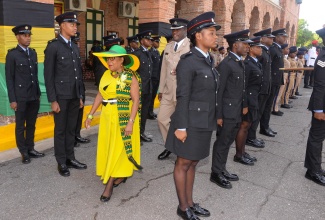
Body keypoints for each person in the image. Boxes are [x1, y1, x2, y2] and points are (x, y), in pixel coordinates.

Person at [165, 11, 219, 220]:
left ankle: (190, 202)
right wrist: (180, 126)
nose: (215, 37)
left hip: (204, 121)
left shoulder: (208, 59)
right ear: (198, 35)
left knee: (193, 162)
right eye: (211, 33)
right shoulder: (188, 61)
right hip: (189, 122)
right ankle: (182, 207)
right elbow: (183, 96)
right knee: (183, 163)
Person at [85, 45, 141, 201]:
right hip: (108, 116)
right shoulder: (105, 75)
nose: (109, 62)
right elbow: (100, 95)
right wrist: (90, 115)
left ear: (121, 60)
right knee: (110, 147)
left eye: (113, 59)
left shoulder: (130, 76)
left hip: (124, 116)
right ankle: (120, 174)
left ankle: (109, 184)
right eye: (108, 59)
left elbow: (136, 100)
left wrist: (130, 122)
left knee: (119, 148)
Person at [44, 12, 87, 177]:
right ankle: (61, 161)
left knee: (71, 129)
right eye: (72, 24)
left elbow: (79, 75)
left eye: (76, 24)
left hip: (74, 96)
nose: (75, 27)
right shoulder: (53, 47)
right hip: (61, 97)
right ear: (62, 25)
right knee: (61, 130)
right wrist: (53, 100)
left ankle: (71, 158)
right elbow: (49, 76)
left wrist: (80, 96)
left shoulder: (74, 46)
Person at [210, 29, 251, 189]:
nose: (247, 47)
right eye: (245, 44)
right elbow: (219, 92)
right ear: (235, 45)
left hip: (236, 111)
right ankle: (216, 173)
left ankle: (222, 169)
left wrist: (244, 106)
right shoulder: (227, 64)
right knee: (222, 142)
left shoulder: (238, 61)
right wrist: (218, 115)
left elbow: (240, 89)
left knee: (227, 142)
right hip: (226, 112)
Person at [5, 24, 44, 164]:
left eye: (29, 36)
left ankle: (31, 148)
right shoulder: (12, 55)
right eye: (24, 35)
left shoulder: (32, 53)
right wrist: (12, 99)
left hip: (34, 95)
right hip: (20, 97)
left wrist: (38, 94)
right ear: (17, 37)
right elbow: (9, 79)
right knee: (21, 125)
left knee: (32, 124)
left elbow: (34, 75)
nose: (28, 38)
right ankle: (23, 152)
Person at [157, 18, 190, 160]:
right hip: (168, 91)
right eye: (173, 30)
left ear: (185, 30)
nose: (174, 32)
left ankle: (182, 150)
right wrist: (160, 90)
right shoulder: (168, 47)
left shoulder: (191, 46)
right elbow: (163, 70)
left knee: (182, 123)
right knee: (161, 119)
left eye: (177, 30)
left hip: (183, 92)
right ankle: (169, 145)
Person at [234, 37, 263, 166]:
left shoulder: (255, 62)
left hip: (254, 98)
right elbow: (243, 85)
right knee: (244, 126)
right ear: (251, 49)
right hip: (248, 98)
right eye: (258, 47)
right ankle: (239, 154)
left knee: (247, 126)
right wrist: (244, 103)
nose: (260, 49)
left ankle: (243, 151)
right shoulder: (247, 63)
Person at [246, 28, 275, 148]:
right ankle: (250, 137)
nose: (272, 39)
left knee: (259, 112)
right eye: (270, 37)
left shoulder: (265, 52)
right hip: (259, 89)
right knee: (255, 114)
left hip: (265, 87)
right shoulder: (259, 54)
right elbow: (256, 72)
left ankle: (252, 136)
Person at [304, 27, 325, 186]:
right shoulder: (323, 57)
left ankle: (315, 167)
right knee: (316, 138)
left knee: (319, 137)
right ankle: (313, 171)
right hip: (321, 106)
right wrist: (318, 109)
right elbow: (319, 85)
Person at [260, 28, 287, 136]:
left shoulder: (277, 48)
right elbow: (267, 66)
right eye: (283, 36)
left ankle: (266, 125)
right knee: (266, 106)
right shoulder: (272, 49)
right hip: (270, 80)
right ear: (277, 37)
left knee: (269, 105)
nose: (285, 38)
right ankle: (264, 127)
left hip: (275, 81)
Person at [132, 30, 153, 142]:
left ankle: (141, 132)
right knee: (136, 113)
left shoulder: (148, 53)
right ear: (142, 40)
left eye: (150, 39)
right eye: (148, 39)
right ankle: (135, 135)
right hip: (139, 89)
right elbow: (133, 73)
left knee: (144, 112)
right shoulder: (136, 54)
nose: (150, 41)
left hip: (147, 87)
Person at [71, 32, 90, 147]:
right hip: (72, 89)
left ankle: (77, 135)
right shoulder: (70, 52)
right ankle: (72, 137)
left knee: (79, 113)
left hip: (80, 87)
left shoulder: (77, 52)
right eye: (75, 42)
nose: (77, 44)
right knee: (73, 116)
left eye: (77, 42)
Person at [148, 36, 161, 120]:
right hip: (152, 77)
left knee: (153, 96)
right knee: (150, 96)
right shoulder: (150, 52)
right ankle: (148, 113)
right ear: (153, 43)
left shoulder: (157, 52)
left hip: (156, 77)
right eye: (157, 42)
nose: (158, 43)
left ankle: (151, 111)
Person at [273, 44, 289, 114]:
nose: (288, 50)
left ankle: (276, 107)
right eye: (286, 49)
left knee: (280, 93)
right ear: (282, 49)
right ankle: (274, 108)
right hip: (281, 75)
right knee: (278, 93)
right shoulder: (281, 57)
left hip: (284, 75)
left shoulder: (283, 57)